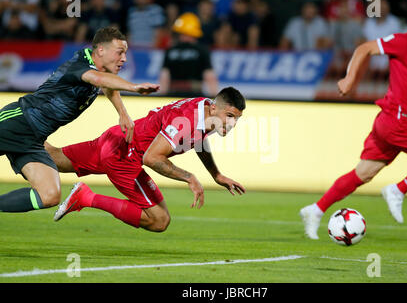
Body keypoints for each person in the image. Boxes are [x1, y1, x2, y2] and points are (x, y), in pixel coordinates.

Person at [299, 0, 407, 239]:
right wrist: (349, 79)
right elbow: (364, 48)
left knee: (363, 173)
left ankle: (316, 210)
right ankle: (398, 190)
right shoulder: (402, 41)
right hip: (394, 121)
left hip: (396, 123)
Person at [0, 26, 159, 214]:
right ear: (101, 50)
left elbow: (106, 83)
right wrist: (135, 87)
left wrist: (122, 113)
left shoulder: (98, 68)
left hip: (33, 140)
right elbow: (99, 79)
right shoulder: (81, 66)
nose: (124, 58)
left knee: (49, 195)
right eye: (120, 52)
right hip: (16, 122)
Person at [47, 87, 246, 232]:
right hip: (125, 158)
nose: (232, 124)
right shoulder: (188, 120)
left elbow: (198, 140)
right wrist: (189, 177)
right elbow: (152, 158)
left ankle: (25, 135)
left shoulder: (206, 110)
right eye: (229, 116)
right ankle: (85, 197)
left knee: (52, 157)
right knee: (159, 220)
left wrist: (216, 174)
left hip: (117, 138)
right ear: (214, 108)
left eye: (236, 119)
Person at [159, 12, 218, 98]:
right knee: (195, 112)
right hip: (195, 98)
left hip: (173, 96)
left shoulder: (170, 50)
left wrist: (161, 98)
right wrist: (215, 100)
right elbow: (209, 76)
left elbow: (164, 77)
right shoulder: (202, 50)